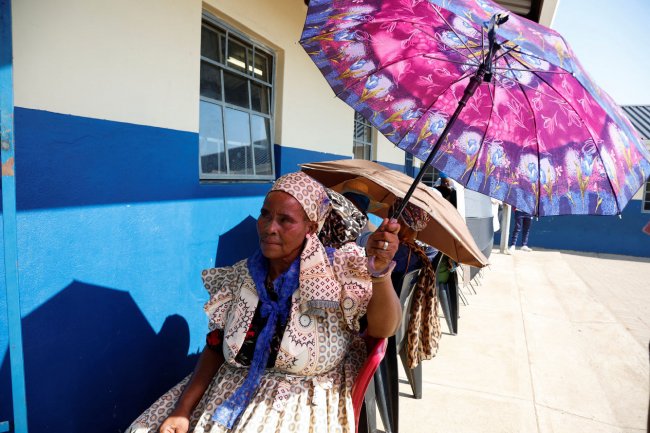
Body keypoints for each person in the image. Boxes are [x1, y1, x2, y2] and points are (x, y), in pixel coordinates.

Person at [126, 171, 402, 433]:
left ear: (311, 226)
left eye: (285, 220)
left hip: (298, 397)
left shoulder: (337, 272)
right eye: (265, 215)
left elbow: (382, 330)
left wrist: (378, 272)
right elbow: (215, 346)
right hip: (229, 386)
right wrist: (183, 410)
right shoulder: (242, 276)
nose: (269, 228)